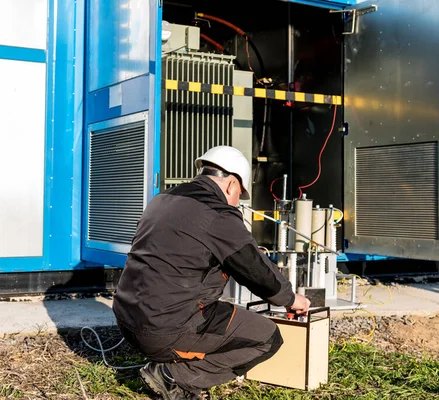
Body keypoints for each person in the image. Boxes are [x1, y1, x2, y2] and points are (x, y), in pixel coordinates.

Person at [112, 145, 311, 399]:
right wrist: (292, 299)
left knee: (218, 311)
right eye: (240, 194)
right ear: (230, 185)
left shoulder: (162, 199)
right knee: (267, 338)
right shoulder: (217, 214)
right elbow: (255, 270)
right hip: (162, 330)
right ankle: (174, 378)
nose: (238, 202)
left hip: (127, 321)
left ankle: (174, 357)